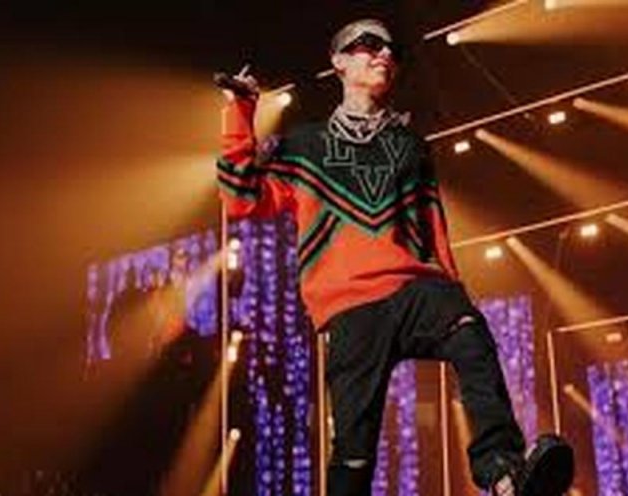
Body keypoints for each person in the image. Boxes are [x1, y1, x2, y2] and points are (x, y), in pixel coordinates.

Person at [216, 18, 575, 496]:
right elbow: (240, 197)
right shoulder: (303, 145)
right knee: (353, 448)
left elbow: (433, 227)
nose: (384, 53)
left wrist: (453, 290)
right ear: (339, 62)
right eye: (369, 45)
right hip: (349, 306)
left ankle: (504, 474)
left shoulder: (410, 145)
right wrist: (240, 110)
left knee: (470, 334)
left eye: (391, 49)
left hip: (416, 289)